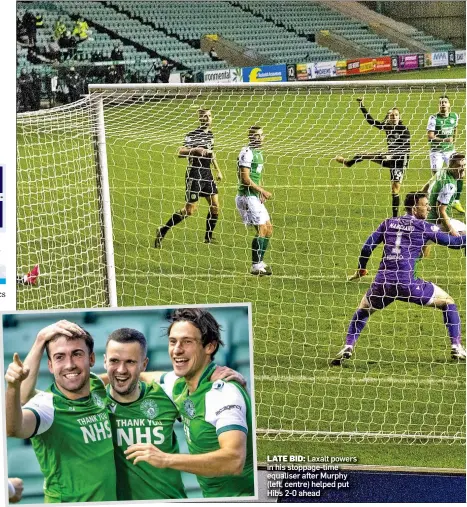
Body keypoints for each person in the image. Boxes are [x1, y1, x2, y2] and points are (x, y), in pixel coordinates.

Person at [125, 308, 255, 498]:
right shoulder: (179, 384)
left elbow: (234, 460)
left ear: (210, 346)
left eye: (187, 342)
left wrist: (165, 459)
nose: (177, 350)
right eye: (173, 342)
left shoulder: (223, 393)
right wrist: (84, 380)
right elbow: (139, 375)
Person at [331, 192, 466, 366]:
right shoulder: (423, 226)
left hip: (383, 283)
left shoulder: (388, 222)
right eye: (425, 205)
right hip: (407, 283)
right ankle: (456, 346)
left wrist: (361, 269)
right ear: (414, 207)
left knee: (363, 309)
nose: (429, 207)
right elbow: (454, 243)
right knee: (448, 302)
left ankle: (348, 346)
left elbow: (366, 247)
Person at [5, 320, 117, 503]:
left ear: (92, 359)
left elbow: (130, 377)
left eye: (77, 354)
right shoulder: (46, 406)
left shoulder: (96, 385)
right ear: (50, 365)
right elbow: (13, 428)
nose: (69, 364)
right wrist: (12, 387)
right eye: (59, 357)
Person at [103, 328, 187, 500]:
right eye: (114, 361)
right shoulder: (93, 403)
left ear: (144, 364)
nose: (121, 369)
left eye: (130, 362)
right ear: (105, 362)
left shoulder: (166, 394)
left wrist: (217, 377)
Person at [155, 108, 222, 247]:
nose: (208, 118)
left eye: (210, 115)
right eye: (204, 116)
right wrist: (195, 150)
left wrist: (218, 170)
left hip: (207, 174)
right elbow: (180, 152)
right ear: (200, 118)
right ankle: (162, 230)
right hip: (195, 173)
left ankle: (208, 238)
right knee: (189, 210)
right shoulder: (192, 135)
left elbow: (211, 153)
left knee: (215, 206)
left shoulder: (210, 134)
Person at [336, 98, 411, 217]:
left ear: (399, 117)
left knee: (395, 189)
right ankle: (348, 163)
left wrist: (392, 155)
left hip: (400, 162)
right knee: (363, 154)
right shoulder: (387, 128)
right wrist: (361, 105)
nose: (394, 117)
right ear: (388, 117)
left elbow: (406, 148)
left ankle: (395, 218)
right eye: (392, 115)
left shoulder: (403, 130)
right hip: (389, 158)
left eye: (396, 115)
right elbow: (371, 121)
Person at [236, 126, 273, 275]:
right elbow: (244, 178)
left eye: (261, 135)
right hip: (246, 196)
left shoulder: (259, 153)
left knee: (269, 228)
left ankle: (260, 261)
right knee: (262, 229)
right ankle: (256, 266)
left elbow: (255, 176)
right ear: (250, 137)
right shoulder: (247, 152)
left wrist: (260, 192)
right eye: (256, 136)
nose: (260, 138)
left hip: (254, 196)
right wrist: (262, 190)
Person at [427, 95, 464, 213]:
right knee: (437, 176)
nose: (443, 104)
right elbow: (430, 136)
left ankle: (455, 201)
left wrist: (454, 139)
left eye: (445, 102)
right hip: (436, 151)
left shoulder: (454, 116)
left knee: (460, 171)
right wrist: (444, 140)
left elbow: (455, 128)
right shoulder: (433, 118)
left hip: (450, 151)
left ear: (449, 105)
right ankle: (433, 200)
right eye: (441, 102)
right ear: (439, 105)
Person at [424, 152, 466, 236]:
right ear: (451, 166)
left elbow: (425, 187)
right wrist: (451, 231)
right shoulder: (449, 185)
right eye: (459, 166)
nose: (463, 168)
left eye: (464, 165)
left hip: (427, 218)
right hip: (436, 222)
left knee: (425, 242)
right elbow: (440, 210)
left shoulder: (442, 171)